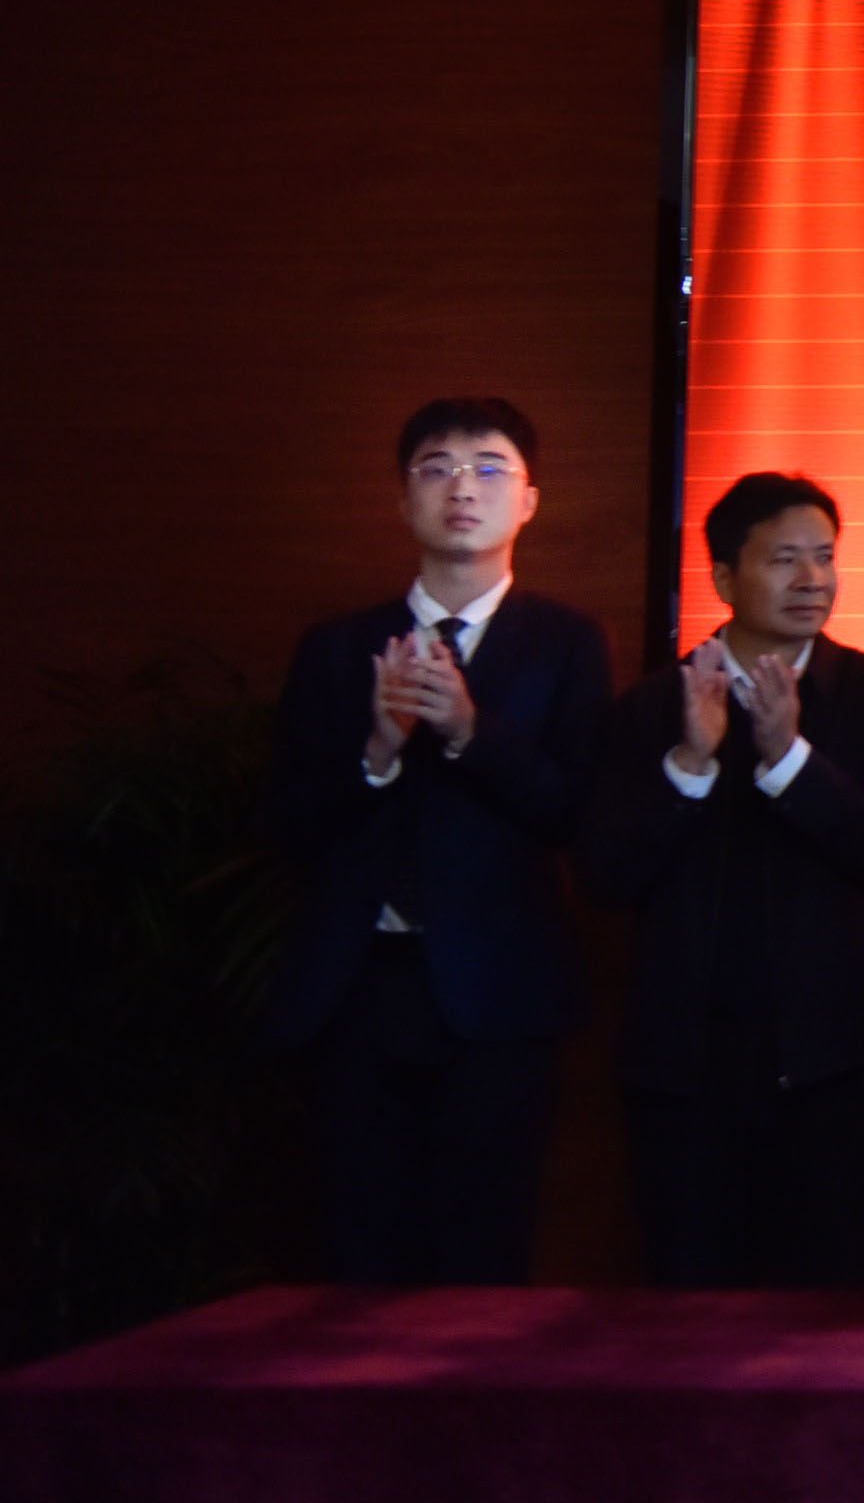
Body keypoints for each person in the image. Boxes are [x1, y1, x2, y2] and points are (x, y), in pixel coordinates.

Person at [266, 397, 610, 1285]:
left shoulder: (567, 645)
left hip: (500, 997)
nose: (463, 488)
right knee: (354, 1256)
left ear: (528, 501)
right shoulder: (337, 648)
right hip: (356, 989)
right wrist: (377, 754)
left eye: (489, 469)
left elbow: (576, 814)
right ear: (403, 498)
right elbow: (287, 823)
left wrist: (467, 731)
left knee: (482, 1260)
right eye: (437, 468)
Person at [579, 473, 864, 1288]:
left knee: (832, 1306)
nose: (813, 579)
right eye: (784, 559)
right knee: (693, 1308)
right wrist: (688, 765)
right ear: (723, 576)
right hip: (688, 1071)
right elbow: (605, 875)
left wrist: (791, 759)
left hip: (840, 1063)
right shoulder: (652, 708)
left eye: (825, 557)